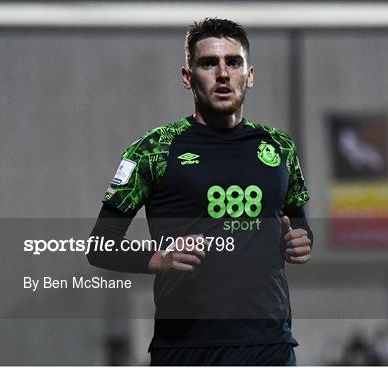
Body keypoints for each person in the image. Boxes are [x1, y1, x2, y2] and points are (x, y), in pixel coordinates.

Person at [88, 17, 313, 366]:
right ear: (187, 77)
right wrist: (158, 259)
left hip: (269, 348)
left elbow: (297, 222)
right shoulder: (154, 150)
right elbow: (100, 245)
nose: (222, 73)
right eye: (209, 63)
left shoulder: (279, 146)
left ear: (249, 75)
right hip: (186, 350)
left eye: (233, 62)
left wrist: (301, 239)